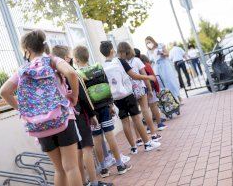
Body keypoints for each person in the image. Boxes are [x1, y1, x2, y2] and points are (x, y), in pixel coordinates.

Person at [0, 30, 82, 186]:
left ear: (27, 50)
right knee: (71, 167)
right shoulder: (52, 61)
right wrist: (74, 96)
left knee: (58, 170)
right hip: (62, 117)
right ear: (43, 46)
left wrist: (24, 110)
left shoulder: (23, 70)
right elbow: (71, 73)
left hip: (40, 124)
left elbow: (4, 92)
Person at [52, 45, 112, 186]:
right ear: (66, 57)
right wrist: (92, 114)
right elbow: (83, 96)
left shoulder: (54, 74)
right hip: (78, 114)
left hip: (65, 117)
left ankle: (84, 182)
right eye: (69, 55)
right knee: (86, 148)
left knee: (77, 152)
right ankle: (94, 182)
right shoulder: (70, 72)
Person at [73, 46, 132, 178]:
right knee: (110, 135)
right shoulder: (98, 68)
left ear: (76, 59)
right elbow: (107, 86)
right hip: (104, 106)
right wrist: (110, 104)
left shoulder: (78, 74)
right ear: (88, 56)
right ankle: (120, 165)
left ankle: (104, 169)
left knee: (97, 139)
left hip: (91, 111)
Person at [100, 41, 161, 155]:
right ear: (112, 50)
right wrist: (148, 77)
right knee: (136, 118)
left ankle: (133, 147)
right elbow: (133, 75)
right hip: (127, 94)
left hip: (116, 97)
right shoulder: (120, 61)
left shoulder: (102, 66)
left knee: (125, 122)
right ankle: (147, 143)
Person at [117, 42, 162, 147]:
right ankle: (153, 134)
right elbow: (144, 74)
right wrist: (150, 89)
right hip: (140, 88)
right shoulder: (137, 60)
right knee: (145, 110)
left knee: (134, 116)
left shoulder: (120, 62)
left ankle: (138, 138)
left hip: (129, 91)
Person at [145, 36, 181, 101]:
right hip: (156, 67)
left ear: (152, 41)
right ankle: (169, 100)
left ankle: (177, 97)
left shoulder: (160, 45)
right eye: (147, 43)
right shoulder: (148, 52)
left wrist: (161, 53)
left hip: (164, 65)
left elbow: (167, 54)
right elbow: (149, 61)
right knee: (161, 83)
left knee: (170, 81)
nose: (148, 44)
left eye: (149, 42)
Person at [138, 52, 168, 131]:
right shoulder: (146, 66)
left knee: (145, 109)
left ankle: (148, 127)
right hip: (149, 88)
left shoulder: (132, 66)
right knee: (154, 106)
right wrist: (156, 89)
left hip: (140, 90)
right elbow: (153, 78)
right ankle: (159, 124)